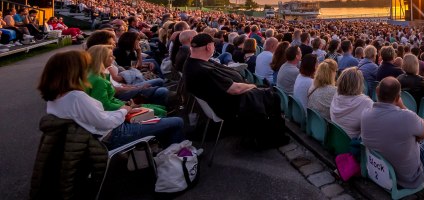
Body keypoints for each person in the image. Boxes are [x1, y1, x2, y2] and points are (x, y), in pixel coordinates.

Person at [38, 50, 184, 150]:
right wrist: (124, 110)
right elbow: (105, 122)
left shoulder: (54, 98)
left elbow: (96, 117)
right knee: (177, 122)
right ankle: (173, 162)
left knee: (157, 116)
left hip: (96, 136)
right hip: (112, 136)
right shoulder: (76, 97)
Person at [361, 77, 424, 200]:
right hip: (409, 177)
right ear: (398, 98)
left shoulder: (365, 113)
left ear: (377, 91)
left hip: (382, 169)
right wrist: (403, 106)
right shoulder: (406, 117)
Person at [183, 33, 287, 148]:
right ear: (208, 47)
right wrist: (252, 86)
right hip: (230, 105)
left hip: (222, 101)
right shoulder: (203, 70)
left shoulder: (192, 63)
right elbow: (235, 89)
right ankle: (273, 137)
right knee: (273, 96)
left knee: (264, 90)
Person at [85, 45, 167, 117]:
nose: (114, 58)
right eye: (111, 56)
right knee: (159, 111)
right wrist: (127, 107)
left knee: (158, 108)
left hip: (118, 107)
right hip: (116, 114)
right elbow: (105, 105)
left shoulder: (97, 74)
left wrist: (126, 104)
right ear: (101, 59)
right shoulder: (98, 80)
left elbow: (109, 99)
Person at [330, 67, 374, 139]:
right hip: (352, 144)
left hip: (335, 139)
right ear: (358, 83)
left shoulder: (336, 95)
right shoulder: (366, 102)